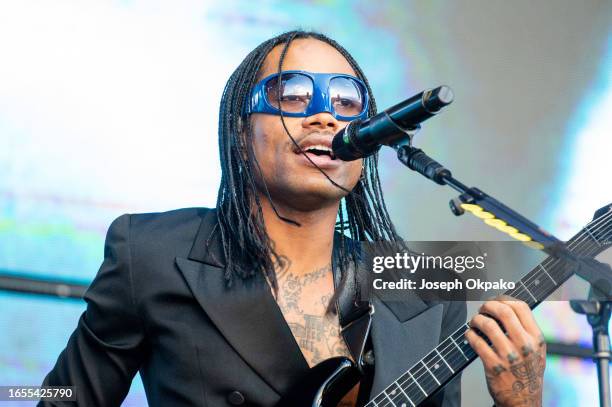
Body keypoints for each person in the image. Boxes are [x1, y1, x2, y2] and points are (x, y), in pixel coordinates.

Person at [40, 30, 546, 407]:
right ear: (241, 135)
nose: (326, 116)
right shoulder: (152, 250)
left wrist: (521, 401)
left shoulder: (423, 285)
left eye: (347, 102)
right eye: (293, 96)